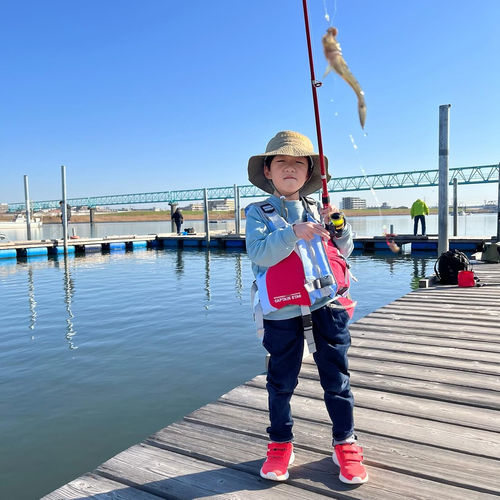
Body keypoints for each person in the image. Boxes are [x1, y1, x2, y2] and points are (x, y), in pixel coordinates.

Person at [245, 131, 368, 485]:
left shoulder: (320, 209)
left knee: (337, 379)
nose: (289, 168)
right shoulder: (257, 213)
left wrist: (340, 227)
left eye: (298, 162)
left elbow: (343, 252)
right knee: (280, 382)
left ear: (309, 172)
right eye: (280, 161)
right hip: (280, 312)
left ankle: (345, 442)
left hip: (326, 306)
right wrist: (294, 232)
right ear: (267, 171)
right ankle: (281, 442)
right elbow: (259, 254)